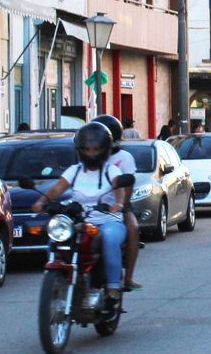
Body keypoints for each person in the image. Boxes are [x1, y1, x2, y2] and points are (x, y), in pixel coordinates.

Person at [32, 122, 131, 309]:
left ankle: (112, 289)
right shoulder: (74, 170)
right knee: (57, 236)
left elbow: (120, 190)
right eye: (87, 149)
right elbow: (57, 188)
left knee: (109, 238)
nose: (91, 153)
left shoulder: (112, 171)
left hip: (108, 220)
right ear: (80, 149)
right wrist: (41, 202)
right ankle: (59, 274)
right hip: (81, 220)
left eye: (96, 149)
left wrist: (117, 204)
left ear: (105, 149)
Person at [92, 114, 144, 291]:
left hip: (118, 203)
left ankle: (128, 277)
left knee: (133, 228)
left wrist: (121, 206)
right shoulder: (88, 154)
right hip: (91, 203)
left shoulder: (125, 157)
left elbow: (128, 183)